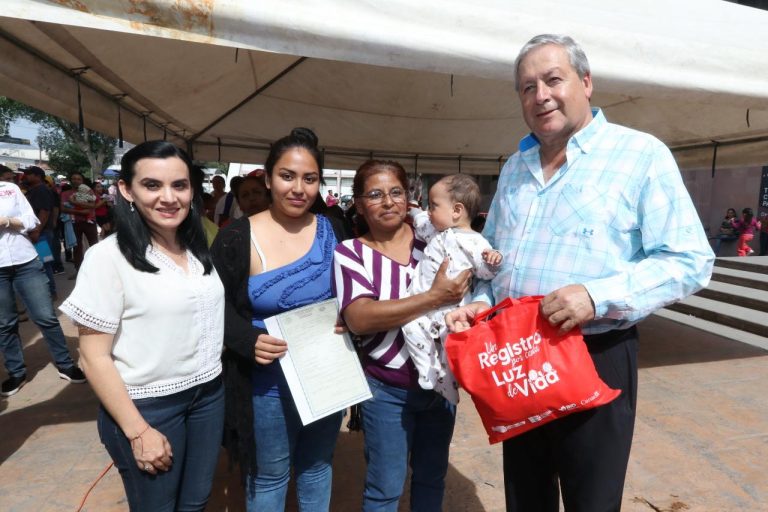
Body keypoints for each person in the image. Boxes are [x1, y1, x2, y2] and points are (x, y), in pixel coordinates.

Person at [446, 34, 714, 512]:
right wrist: (481, 305)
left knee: (592, 501)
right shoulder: (514, 168)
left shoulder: (640, 155)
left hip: (595, 354)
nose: (541, 95)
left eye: (553, 79)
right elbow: (499, 264)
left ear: (586, 83)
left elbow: (690, 259)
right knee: (526, 497)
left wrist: (596, 295)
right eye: (527, 87)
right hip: (518, 357)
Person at [59, 141, 225, 511]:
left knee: (196, 502)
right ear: (126, 190)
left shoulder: (196, 249)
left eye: (179, 185)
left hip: (208, 396)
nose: (168, 198)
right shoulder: (109, 257)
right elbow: (93, 357)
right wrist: (138, 431)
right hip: (148, 407)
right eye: (152, 185)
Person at [211, 127, 348, 512]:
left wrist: (349, 319)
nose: (298, 188)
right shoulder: (236, 238)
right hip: (265, 382)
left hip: (326, 374)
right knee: (270, 474)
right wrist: (244, 338)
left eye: (310, 178)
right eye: (287, 176)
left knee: (318, 467)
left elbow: (353, 293)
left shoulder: (333, 229)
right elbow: (211, 305)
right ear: (268, 178)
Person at [333, 159, 471, 511]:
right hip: (386, 390)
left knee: (430, 477)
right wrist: (433, 297)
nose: (389, 202)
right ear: (360, 205)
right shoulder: (351, 253)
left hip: (441, 385)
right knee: (385, 488)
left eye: (396, 192)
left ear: (408, 197)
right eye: (375, 195)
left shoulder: (434, 240)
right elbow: (360, 318)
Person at [402, 174, 502, 404]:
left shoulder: (477, 243)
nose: (429, 211)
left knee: (451, 344)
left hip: (453, 310)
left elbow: (486, 273)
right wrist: (414, 210)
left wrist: (493, 260)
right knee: (410, 327)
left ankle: (448, 382)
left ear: (456, 210)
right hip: (420, 304)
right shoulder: (435, 231)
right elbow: (419, 220)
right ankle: (429, 371)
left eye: (434, 205)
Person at [0, 170, 86, 397]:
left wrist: (7, 221)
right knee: (5, 323)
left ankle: (65, 364)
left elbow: (31, 220)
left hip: (26, 261)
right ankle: (16, 372)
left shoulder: (9, 190)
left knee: (46, 316)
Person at [22, 166, 57, 298]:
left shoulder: (41, 190)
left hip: (41, 234)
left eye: (29, 174)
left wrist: (37, 230)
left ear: (38, 176)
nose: (26, 176)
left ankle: (50, 292)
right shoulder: (34, 190)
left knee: (44, 263)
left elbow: (45, 211)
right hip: (40, 232)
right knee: (42, 263)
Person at [60, 172, 99, 276]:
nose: (76, 181)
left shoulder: (89, 192)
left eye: (78, 179)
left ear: (82, 181)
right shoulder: (65, 193)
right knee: (76, 248)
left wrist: (73, 203)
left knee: (94, 246)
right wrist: (82, 211)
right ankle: (79, 271)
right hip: (73, 223)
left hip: (89, 222)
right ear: (70, 180)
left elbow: (92, 206)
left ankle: (97, 270)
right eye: (73, 178)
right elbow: (63, 208)